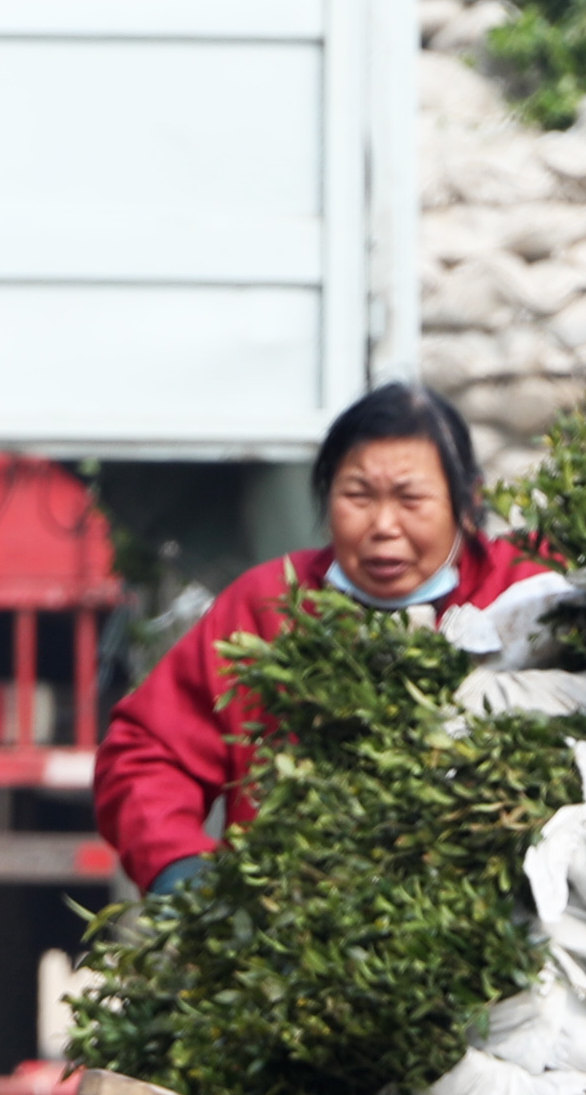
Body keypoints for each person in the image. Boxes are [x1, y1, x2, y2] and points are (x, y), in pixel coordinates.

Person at [97, 382, 549, 897]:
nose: (382, 525)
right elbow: (150, 751)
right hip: (294, 932)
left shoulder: (528, 597)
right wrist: (176, 865)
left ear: (468, 502)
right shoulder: (270, 606)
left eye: (410, 500)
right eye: (357, 496)